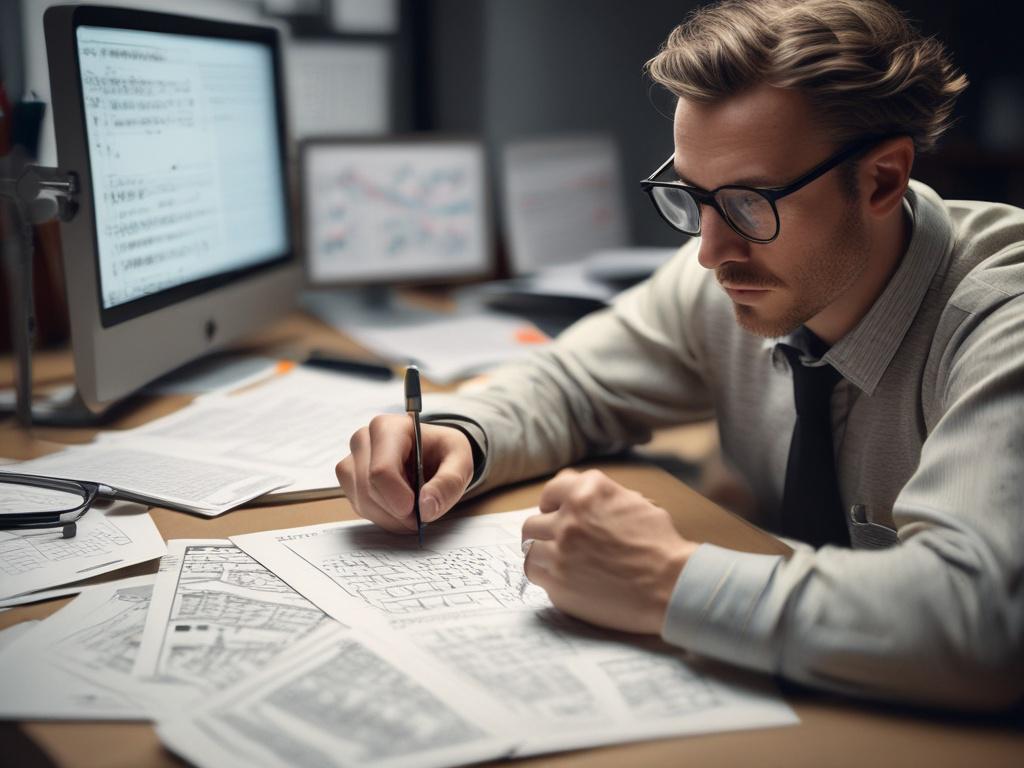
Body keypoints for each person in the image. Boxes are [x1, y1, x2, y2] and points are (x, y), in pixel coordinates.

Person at [336, 0, 1024, 710]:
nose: (709, 251)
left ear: (881, 180)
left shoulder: (1003, 318)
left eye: (751, 203)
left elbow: (982, 620)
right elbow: (571, 384)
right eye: (693, 198)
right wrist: (461, 435)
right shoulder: (742, 275)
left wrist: (667, 580)